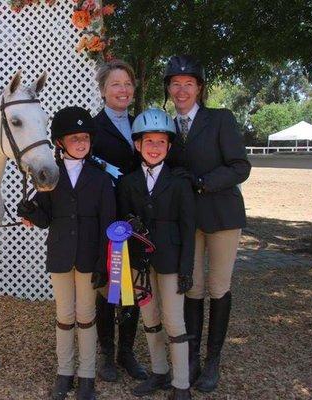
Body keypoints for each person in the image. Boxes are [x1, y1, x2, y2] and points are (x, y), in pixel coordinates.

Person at [163, 55, 252, 393]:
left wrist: (202, 181)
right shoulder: (168, 127)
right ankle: (192, 358)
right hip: (188, 221)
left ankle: (213, 359)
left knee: (218, 287)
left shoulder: (220, 119)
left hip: (222, 214)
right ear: (169, 89)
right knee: (193, 287)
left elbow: (240, 166)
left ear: (199, 88)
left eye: (188, 84)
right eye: (175, 83)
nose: (181, 89)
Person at [17, 106, 115, 400]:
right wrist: (31, 211)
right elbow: (45, 220)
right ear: (59, 142)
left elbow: (108, 224)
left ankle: (86, 376)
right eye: (74, 138)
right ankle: (65, 372)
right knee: (64, 315)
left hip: (89, 260)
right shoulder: (51, 177)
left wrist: (103, 262)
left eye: (85, 137)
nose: (81, 143)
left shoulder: (100, 179)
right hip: (60, 257)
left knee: (86, 316)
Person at [118, 108, 195, 400]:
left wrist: (187, 268)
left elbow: (189, 229)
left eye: (160, 142)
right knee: (149, 318)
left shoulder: (180, 183)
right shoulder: (127, 183)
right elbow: (120, 221)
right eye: (148, 142)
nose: (154, 148)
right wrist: (128, 222)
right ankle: (160, 372)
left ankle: (181, 384)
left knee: (175, 321)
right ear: (137, 145)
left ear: (169, 146)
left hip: (172, 262)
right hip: (140, 262)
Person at [92, 59, 147, 381]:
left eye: (127, 84)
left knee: (133, 285)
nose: (122, 90)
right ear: (103, 90)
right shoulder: (94, 128)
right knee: (109, 288)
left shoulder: (143, 124)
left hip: (139, 217)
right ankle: (106, 354)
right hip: (110, 220)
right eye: (115, 84)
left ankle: (127, 352)